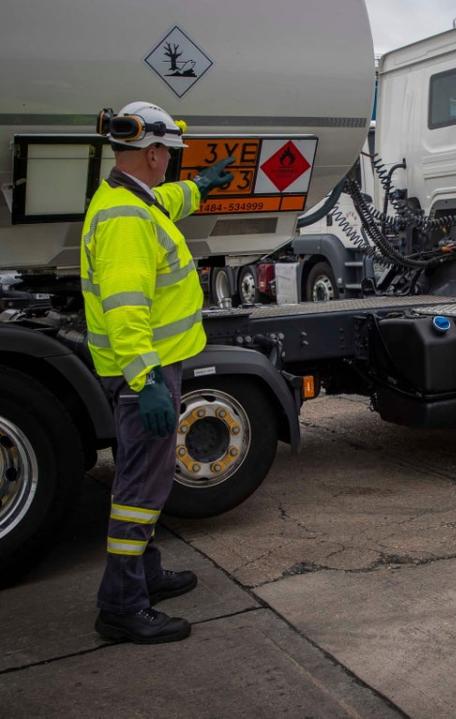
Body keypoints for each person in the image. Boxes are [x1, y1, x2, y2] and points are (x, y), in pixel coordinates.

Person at [82, 101, 233, 643]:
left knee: (139, 476)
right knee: (140, 488)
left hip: (143, 369)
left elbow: (163, 200)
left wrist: (200, 188)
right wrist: (145, 381)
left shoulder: (128, 198)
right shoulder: (124, 220)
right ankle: (121, 605)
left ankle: (145, 576)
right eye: (168, 154)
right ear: (150, 153)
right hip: (143, 373)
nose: (170, 164)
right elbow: (127, 310)